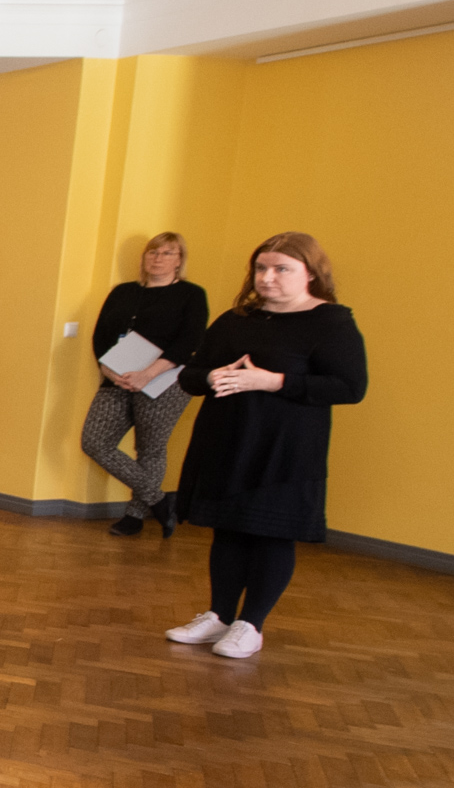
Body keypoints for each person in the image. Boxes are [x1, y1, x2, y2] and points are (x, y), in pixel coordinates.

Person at [164, 232, 366, 659]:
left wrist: (273, 381)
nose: (267, 277)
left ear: (310, 274)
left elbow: (350, 387)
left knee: (272, 534)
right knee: (227, 530)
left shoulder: (331, 322)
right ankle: (220, 615)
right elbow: (190, 375)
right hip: (228, 440)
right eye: (261, 268)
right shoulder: (235, 320)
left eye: (281, 269)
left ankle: (251, 624)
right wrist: (212, 376)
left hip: (286, 450)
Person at [83, 232, 208, 537]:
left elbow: (190, 341)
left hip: (164, 381)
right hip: (117, 377)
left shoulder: (191, 294)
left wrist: (148, 374)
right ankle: (160, 500)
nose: (157, 258)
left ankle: (135, 516)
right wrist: (107, 368)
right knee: (95, 442)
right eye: (152, 252)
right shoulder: (123, 292)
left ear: (179, 260)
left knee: (149, 449)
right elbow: (101, 336)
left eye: (167, 253)